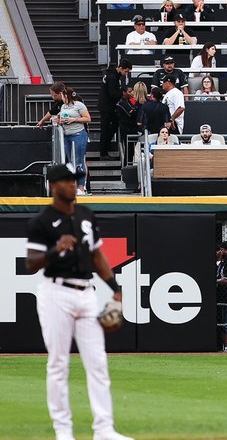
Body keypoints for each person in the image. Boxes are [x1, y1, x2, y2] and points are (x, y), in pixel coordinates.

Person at [25, 163, 134, 440]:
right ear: (53, 186)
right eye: (66, 180)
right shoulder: (41, 221)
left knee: (97, 361)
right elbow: (30, 263)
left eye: (75, 180)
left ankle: (104, 429)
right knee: (58, 363)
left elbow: (97, 256)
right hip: (55, 292)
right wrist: (54, 249)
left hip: (87, 292)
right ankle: (63, 431)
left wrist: (115, 288)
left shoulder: (86, 214)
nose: (73, 184)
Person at [37, 83, 92, 193]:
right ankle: (73, 185)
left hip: (78, 133)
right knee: (70, 162)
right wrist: (59, 120)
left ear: (65, 95)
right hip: (67, 135)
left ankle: (82, 186)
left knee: (79, 161)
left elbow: (87, 118)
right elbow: (54, 112)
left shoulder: (78, 104)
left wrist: (74, 120)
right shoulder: (62, 106)